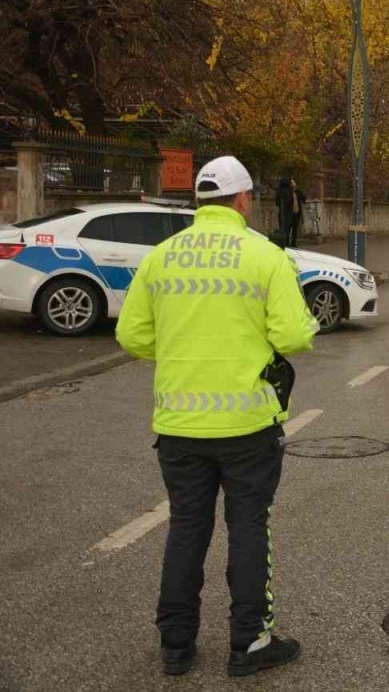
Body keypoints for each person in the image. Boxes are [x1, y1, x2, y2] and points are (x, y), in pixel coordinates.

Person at [117, 156, 318, 678]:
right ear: (245, 199)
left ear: (199, 201)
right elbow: (295, 335)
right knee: (249, 526)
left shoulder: (161, 258)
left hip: (179, 425)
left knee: (186, 528)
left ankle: (177, 646)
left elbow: (132, 337)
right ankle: (249, 642)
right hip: (248, 425)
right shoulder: (265, 255)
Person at [287, 179, 306, 247]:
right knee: (288, 228)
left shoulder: (297, 192)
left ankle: (293, 243)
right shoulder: (288, 192)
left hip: (296, 213)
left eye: (294, 182)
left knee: (295, 229)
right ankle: (287, 243)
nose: (293, 184)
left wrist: (297, 190)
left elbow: (304, 198)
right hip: (290, 213)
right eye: (292, 183)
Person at [274, 178, 293, 244]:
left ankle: (284, 242)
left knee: (283, 228)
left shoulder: (280, 191)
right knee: (286, 228)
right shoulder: (287, 191)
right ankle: (285, 242)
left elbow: (277, 202)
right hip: (286, 212)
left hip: (283, 212)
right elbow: (289, 202)